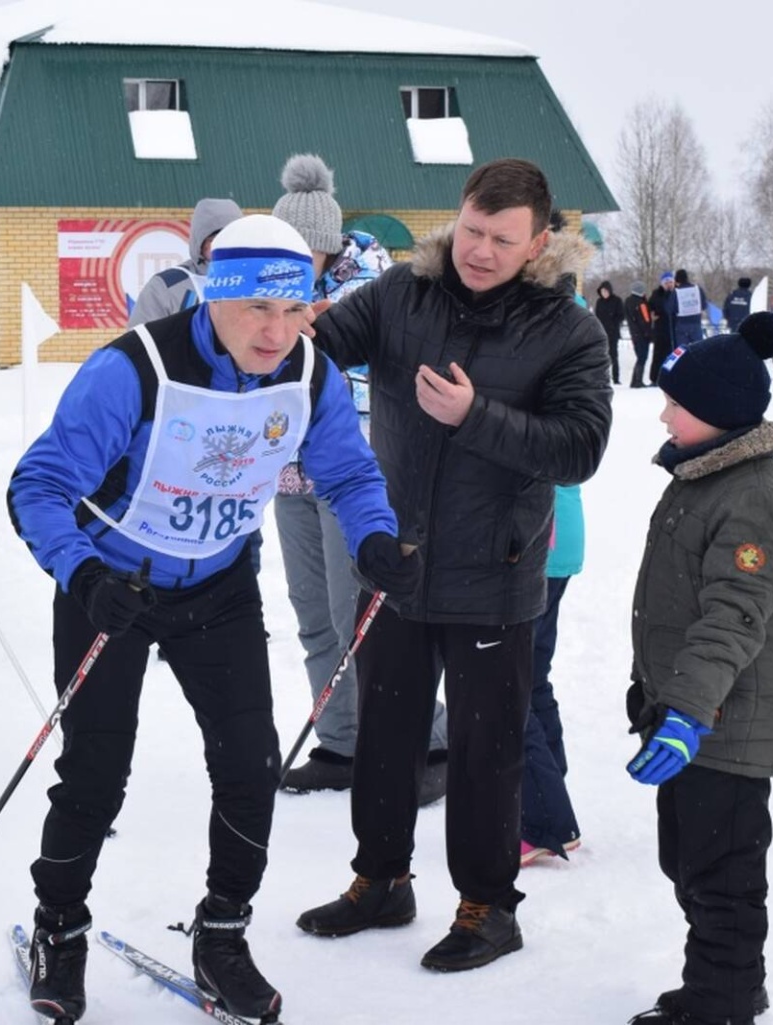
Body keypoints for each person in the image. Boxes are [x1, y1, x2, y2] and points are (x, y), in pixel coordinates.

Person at [7, 214, 415, 1024]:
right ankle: (61, 923)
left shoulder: (309, 375)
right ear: (215, 295)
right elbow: (38, 486)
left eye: (295, 310)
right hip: (113, 586)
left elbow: (349, 469)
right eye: (258, 308)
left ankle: (223, 928)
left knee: (249, 762)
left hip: (219, 589)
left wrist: (373, 538)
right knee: (95, 771)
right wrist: (83, 573)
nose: (277, 331)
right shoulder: (134, 369)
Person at [294, 158, 612, 975]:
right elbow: (322, 344)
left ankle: (487, 906)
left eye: (502, 239)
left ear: (539, 240)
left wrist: (478, 416)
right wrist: (287, 328)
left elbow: (581, 448)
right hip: (396, 563)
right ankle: (381, 878)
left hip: (496, 573)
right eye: (472, 229)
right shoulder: (404, 293)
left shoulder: (566, 329)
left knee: (483, 751)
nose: (479, 250)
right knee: (385, 735)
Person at [625, 311, 773, 1025]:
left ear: (721, 415)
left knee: (722, 870)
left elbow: (733, 615)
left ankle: (723, 1001)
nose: (663, 411)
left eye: (678, 402)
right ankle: (726, 981)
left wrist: (690, 713)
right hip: (693, 714)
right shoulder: (704, 474)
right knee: (690, 860)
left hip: (726, 723)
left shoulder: (750, 499)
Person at [266, 152, 450, 802]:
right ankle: (341, 740)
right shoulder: (278, 294)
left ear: (324, 244)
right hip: (290, 476)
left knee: (368, 616)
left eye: (302, 255)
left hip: (355, 475)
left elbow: (387, 381)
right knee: (314, 614)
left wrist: (321, 340)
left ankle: (431, 740)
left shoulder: (375, 290)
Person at [519, 484, 583, 865]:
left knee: (511, 687)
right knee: (531, 678)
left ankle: (543, 820)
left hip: (536, 544)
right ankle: (547, 790)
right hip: (554, 538)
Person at [127, 197, 244, 326]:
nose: (223, 247)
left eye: (231, 239)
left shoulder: (256, 281)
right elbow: (139, 339)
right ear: (200, 242)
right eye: (215, 240)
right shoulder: (168, 286)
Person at [593, 280, 625, 385]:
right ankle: (602, 377)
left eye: (606, 291)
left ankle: (616, 378)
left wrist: (613, 323)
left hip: (613, 332)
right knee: (602, 355)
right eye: (602, 291)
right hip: (601, 332)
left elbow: (621, 315)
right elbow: (597, 316)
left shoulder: (617, 300)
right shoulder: (599, 302)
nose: (604, 293)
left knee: (614, 355)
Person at [648, 272, 677, 383]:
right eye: (667, 283)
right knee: (658, 355)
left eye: (671, 282)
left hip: (674, 329)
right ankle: (655, 378)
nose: (669, 285)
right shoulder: (656, 294)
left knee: (673, 355)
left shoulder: (676, 293)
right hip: (660, 329)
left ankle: (671, 377)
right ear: (662, 284)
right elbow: (651, 307)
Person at [625, 281, 653, 388]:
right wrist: (648, 333)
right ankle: (638, 381)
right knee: (642, 357)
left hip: (634, 334)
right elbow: (645, 319)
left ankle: (634, 380)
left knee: (639, 357)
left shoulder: (628, 301)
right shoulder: (641, 303)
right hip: (642, 334)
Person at [668, 268, 706, 348]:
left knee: (682, 351)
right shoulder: (698, 289)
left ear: (677, 280)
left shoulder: (676, 292)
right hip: (696, 323)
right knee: (698, 349)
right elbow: (704, 305)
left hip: (681, 324)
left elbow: (670, 308)